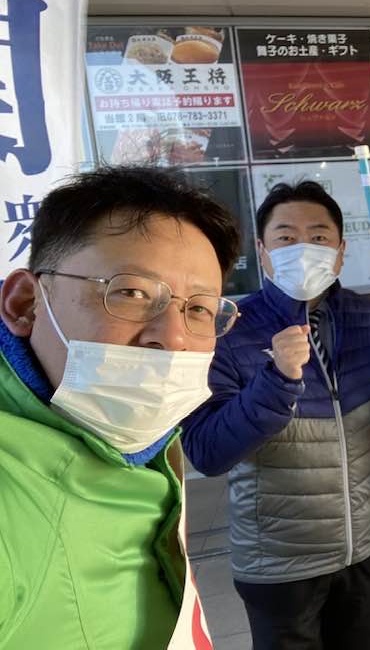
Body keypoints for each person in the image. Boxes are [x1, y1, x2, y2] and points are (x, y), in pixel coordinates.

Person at [181, 181, 370, 650]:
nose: (303, 248)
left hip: (362, 551)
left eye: (319, 238)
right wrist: (276, 379)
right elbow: (206, 452)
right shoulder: (229, 331)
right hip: (278, 566)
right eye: (285, 237)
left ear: (340, 252)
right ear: (262, 251)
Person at [0, 168, 241, 649]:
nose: (172, 338)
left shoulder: (142, 451)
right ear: (26, 304)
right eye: (130, 292)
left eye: (198, 309)